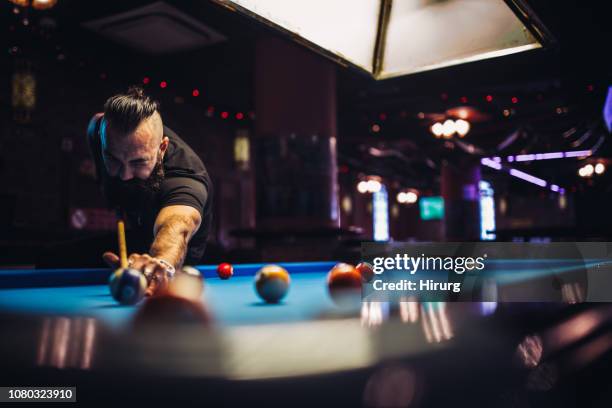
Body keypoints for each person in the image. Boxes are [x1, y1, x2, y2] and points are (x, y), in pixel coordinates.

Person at [86, 86, 213, 294]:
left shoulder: (186, 176)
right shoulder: (98, 128)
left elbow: (177, 226)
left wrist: (161, 263)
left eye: (138, 162)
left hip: (179, 263)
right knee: (51, 257)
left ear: (162, 148)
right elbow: (95, 124)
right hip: (134, 237)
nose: (125, 175)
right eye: (113, 159)